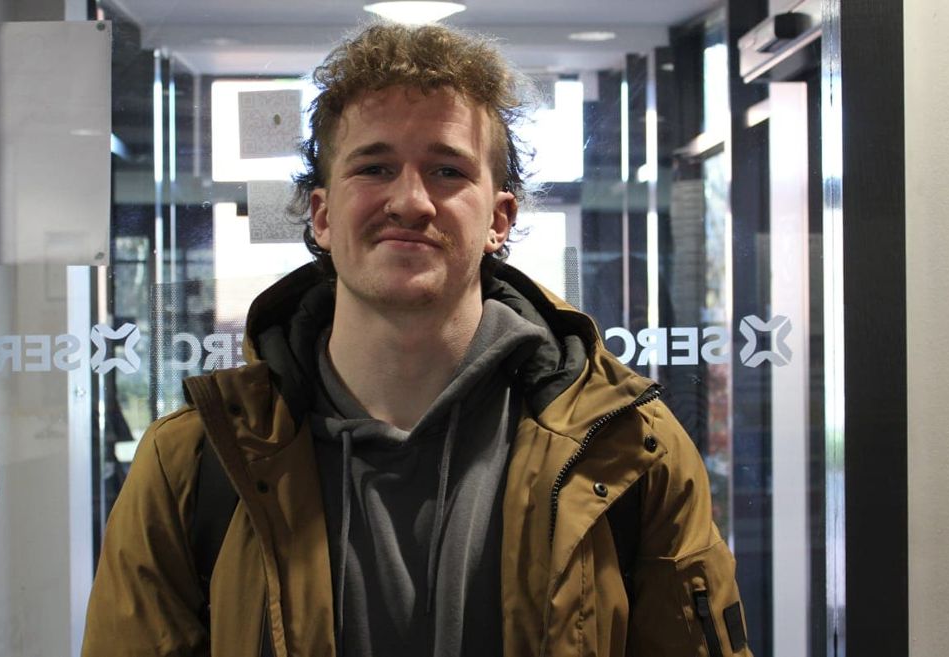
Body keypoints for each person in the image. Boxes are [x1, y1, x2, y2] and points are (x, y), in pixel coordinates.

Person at [83, 22, 752, 657]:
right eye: (374, 168)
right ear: (321, 215)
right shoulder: (192, 464)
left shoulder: (630, 450)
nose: (410, 201)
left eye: (447, 171)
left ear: (500, 219)